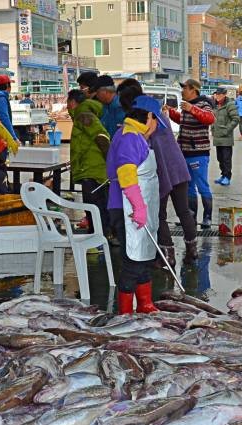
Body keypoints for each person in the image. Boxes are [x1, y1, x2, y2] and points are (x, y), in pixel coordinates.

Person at [117, 80, 199, 263]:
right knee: (183, 211)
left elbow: (142, 146)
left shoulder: (141, 119)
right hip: (177, 166)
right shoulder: (158, 113)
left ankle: (168, 256)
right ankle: (192, 249)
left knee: (158, 214)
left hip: (160, 170)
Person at [108, 98, 162, 315]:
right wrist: (138, 207)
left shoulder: (137, 137)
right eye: (156, 121)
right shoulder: (129, 137)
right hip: (127, 209)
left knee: (144, 257)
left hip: (138, 209)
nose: (156, 127)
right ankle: (125, 313)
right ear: (149, 117)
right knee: (133, 261)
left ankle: (145, 304)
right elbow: (126, 174)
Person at [167, 79, 216, 228]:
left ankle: (207, 217)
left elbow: (210, 119)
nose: (182, 91)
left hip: (198, 153)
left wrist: (192, 109)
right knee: (188, 186)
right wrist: (170, 112)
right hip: (185, 153)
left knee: (202, 185)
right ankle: (191, 216)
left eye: (185, 88)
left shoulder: (203, 104)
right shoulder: (187, 105)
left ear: (193, 90)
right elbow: (182, 120)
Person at [67, 89, 112, 242]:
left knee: (94, 206)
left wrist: (110, 161)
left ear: (73, 102)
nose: (67, 107)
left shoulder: (83, 115)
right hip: (90, 169)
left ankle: (99, 238)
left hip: (92, 170)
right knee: (95, 205)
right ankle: (99, 236)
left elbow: (101, 136)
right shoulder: (82, 115)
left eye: (68, 103)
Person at [211, 88, 237, 186]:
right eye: (216, 94)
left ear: (225, 94)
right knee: (220, 158)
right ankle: (223, 175)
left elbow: (236, 119)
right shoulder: (215, 105)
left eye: (220, 94)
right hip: (217, 137)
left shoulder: (229, 105)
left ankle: (227, 177)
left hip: (226, 138)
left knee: (226, 159)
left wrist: (227, 130)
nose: (217, 96)